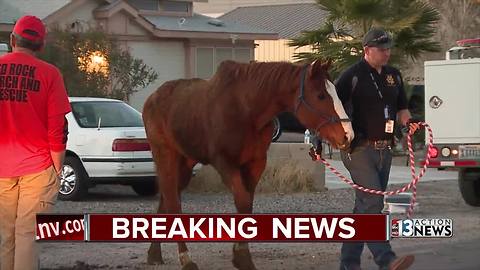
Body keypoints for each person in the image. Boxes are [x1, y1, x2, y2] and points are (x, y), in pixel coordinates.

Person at [334, 28, 416, 270]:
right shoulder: (352, 75)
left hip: (385, 149)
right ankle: (386, 259)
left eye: (389, 48)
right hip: (359, 149)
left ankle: (348, 263)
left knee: (364, 206)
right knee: (372, 203)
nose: (387, 53)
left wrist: (409, 123)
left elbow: (401, 108)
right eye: (382, 49)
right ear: (367, 50)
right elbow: (332, 109)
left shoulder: (394, 75)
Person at [0, 15, 71, 270]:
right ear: (41, 45)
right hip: (37, 167)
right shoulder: (50, 74)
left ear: (11, 40)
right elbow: (57, 129)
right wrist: (57, 168)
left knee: (5, 237)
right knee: (27, 236)